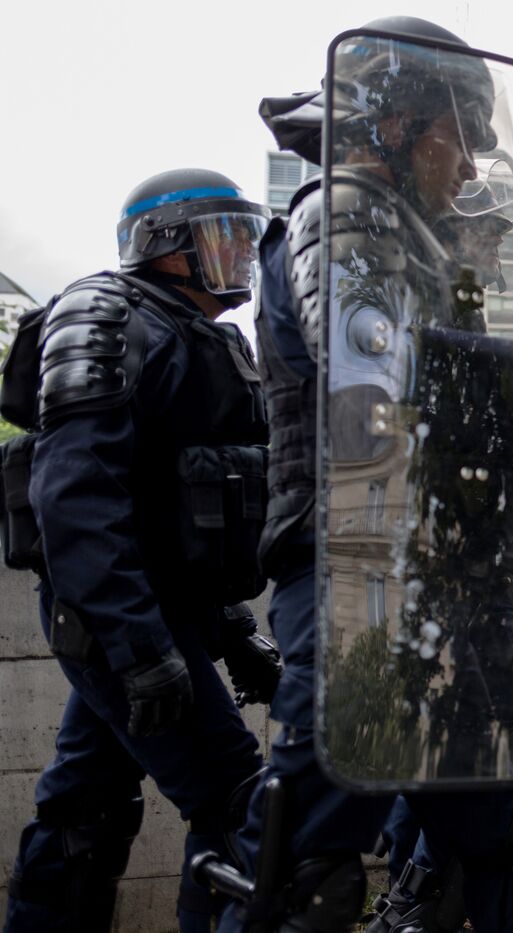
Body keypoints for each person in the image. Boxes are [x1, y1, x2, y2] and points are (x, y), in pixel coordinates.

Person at [218, 16, 513, 933]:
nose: (469, 167)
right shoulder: (345, 214)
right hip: (361, 572)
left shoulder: (414, 241)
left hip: (434, 574)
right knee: (307, 869)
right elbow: (374, 380)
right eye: (458, 136)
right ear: (395, 120)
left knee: (507, 840)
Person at [0, 169, 282, 933]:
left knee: (83, 812)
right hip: (115, 617)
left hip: (160, 613)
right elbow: (77, 499)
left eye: (244, 234)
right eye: (223, 234)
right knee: (240, 809)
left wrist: (232, 630)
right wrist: (136, 648)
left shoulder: (201, 333)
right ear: (165, 243)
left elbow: (181, 514)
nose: (242, 253)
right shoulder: (104, 313)